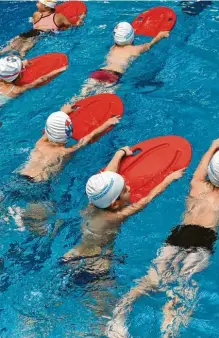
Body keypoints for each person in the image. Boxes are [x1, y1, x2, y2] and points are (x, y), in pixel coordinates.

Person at [105, 137, 219, 338]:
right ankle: (168, 333)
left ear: (210, 170)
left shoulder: (197, 184)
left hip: (179, 234)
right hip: (204, 242)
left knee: (151, 278)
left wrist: (212, 147)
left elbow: (201, 166)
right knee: (183, 285)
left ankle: (118, 318)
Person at [62, 147, 185, 283]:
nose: (130, 188)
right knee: (105, 303)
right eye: (125, 190)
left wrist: (119, 153)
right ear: (114, 204)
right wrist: (168, 179)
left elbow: (107, 175)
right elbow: (144, 202)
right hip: (99, 264)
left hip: (73, 255)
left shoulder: (92, 203)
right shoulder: (114, 217)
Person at [5, 105, 120, 234]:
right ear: (69, 133)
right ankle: (28, 222)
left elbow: (49, 130)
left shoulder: (40, 143)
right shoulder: (65, 152)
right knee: (44, 223)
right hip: (39, 186)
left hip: (19, 179)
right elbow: (88, 139)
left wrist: (62, 112)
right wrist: (107, 123)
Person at [75, 22, 170, 99]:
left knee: (81, 95)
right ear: (131, 36)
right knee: (103, 99)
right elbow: (149, 45)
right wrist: (160, 36)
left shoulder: (113, 48)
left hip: (99, 72)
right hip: (113, 76)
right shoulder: (136, 50)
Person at [0, 0, 80, 57]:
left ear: (45, 6)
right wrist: (79, 21)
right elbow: (70, 26)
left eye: (38, 3)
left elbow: (34, 23)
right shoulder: (59, 17)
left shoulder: (36, 14)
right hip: (39, 35)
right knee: (23, 51)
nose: (36, 4)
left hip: (28, 33)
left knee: (11, 45)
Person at [0, 55, 67, 107]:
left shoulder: (3, 76)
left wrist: (23, 63)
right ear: (17, 76)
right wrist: (59, 70)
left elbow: (6, 71)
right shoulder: (16, 90)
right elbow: (40, 80)